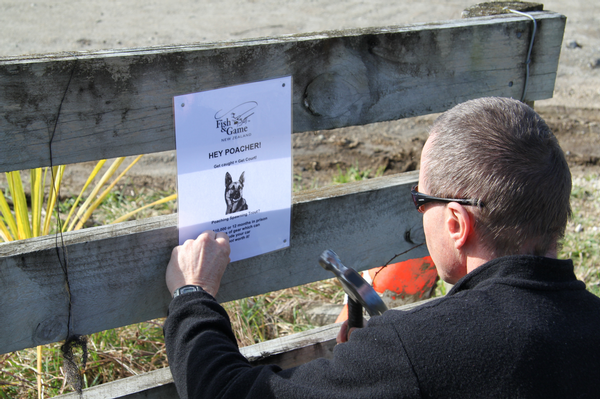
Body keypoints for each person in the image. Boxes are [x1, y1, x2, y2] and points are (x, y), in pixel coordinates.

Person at [164, 97, 600, 398]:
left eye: (420, 200)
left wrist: (193, 296)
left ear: (456, 223)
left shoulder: (419, 350)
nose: (417, 210)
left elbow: (224, 394)